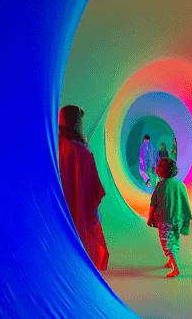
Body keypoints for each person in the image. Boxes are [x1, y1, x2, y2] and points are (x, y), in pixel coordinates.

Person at [58, 105, 109, 270]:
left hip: (58, 206)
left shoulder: (55, 146)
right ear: (77, 123)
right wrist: (95, 211)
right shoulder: (83, 151)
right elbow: (93, 186)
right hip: (78, 207)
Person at [147, 158, 192, 277]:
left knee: (167, 242)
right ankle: (170, 262)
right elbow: (185, 201)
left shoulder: (160, 186)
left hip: (165, 219)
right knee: (175, 239)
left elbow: (153, 203)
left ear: (160, 171)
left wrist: (150, 218)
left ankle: (177, 268)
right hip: (178, 218)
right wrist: (185, 218)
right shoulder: (180, 185)